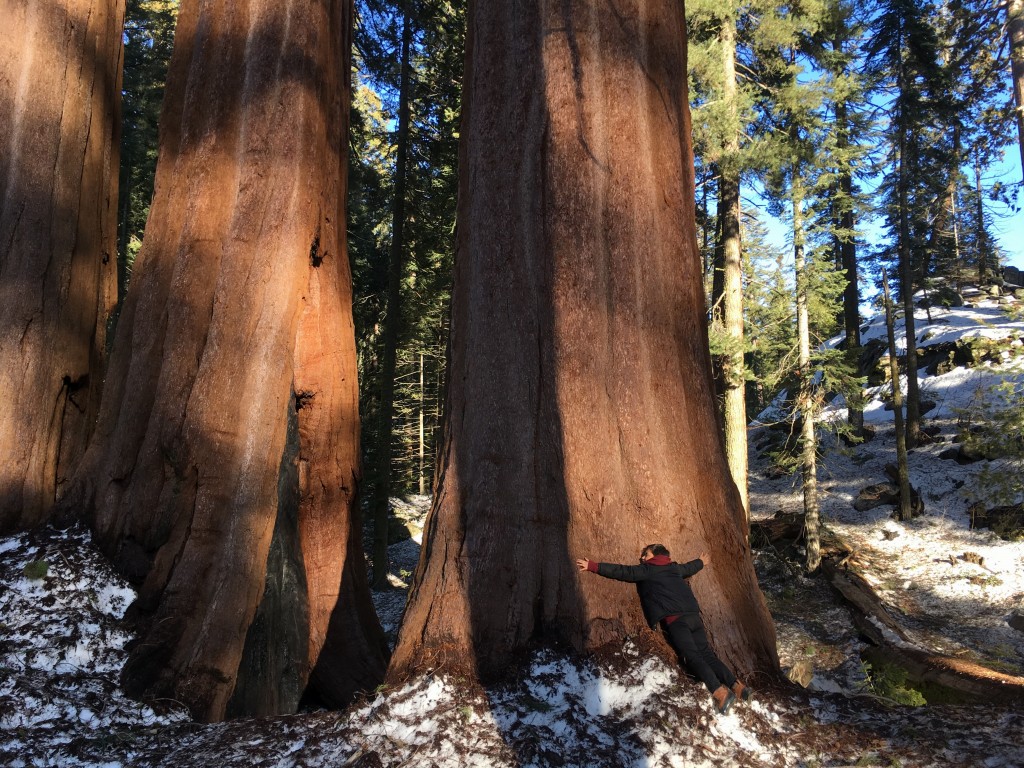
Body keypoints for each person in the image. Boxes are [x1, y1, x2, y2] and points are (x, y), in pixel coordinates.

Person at [576, 544, 751, 715]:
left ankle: (720, 693)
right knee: (707, 654)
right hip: (693, 616)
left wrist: (593, 566)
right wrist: (701, 562)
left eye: (646, 554)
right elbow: (689, 567)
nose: (642, 558)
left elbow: (623, 572)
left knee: (693, 656)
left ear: (655, 556)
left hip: (676, 620)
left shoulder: (648, 570)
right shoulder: (674, 568)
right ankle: (738, 687)